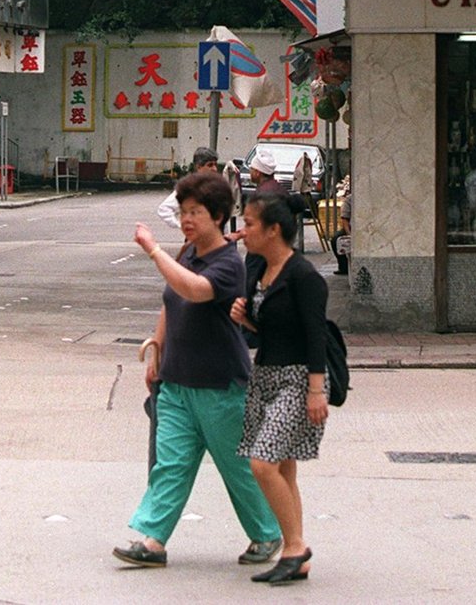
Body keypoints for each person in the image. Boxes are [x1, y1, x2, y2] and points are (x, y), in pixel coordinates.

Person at [113, 171, 281, 572]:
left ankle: (268, 531)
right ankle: (152, 541)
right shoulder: (187, 252)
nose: (187, 219)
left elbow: (193, 290)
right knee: (170, 464)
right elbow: (171, 301)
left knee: (237, 468)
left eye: (196, 212)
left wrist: (154, 252)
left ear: (219, 216)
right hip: (177, 382)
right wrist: (157, 348)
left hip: (220, 385)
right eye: (184, 211)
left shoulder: (228, 264)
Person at [232, 192, 330, 585]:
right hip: (265, 376)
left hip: (295, 379)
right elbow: (272, 329)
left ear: (274, 229)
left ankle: (293, 548)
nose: (243, 231)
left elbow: (314, 336)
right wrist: (247, 320)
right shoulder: (257, 269)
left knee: (263, 461)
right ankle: (296, 552)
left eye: (250, 224)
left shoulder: (303, 276)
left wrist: (315, 390)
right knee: (284, 468)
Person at [156, 146, 218, 230]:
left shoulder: (216, 186)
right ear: (199, 167)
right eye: (210, 165)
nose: (214, 169)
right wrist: (181, 225)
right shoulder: (190, 187)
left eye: (215, 164)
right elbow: (164, 209)